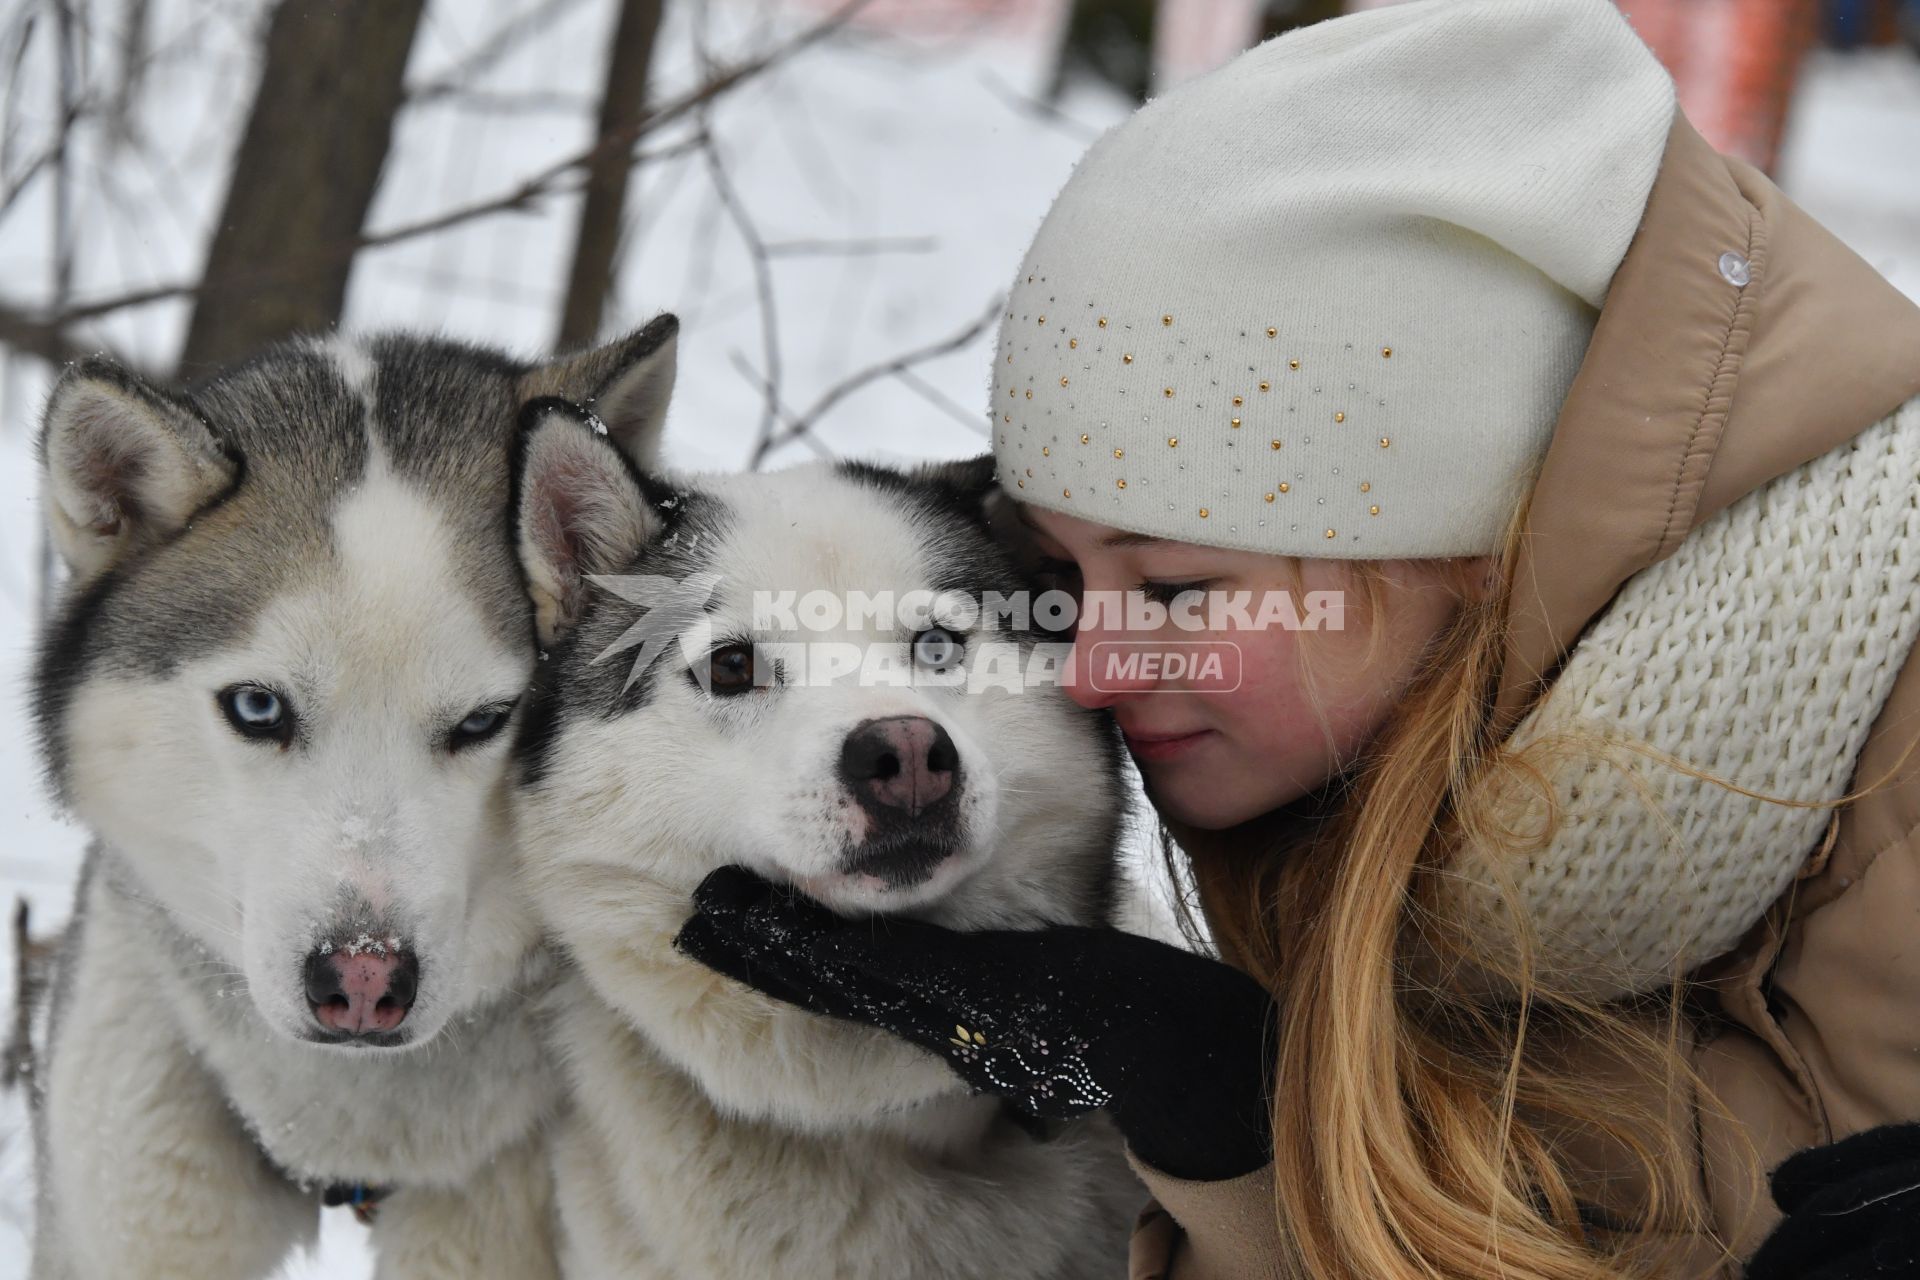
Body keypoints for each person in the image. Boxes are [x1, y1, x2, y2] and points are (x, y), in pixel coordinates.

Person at [673, 0, 1920, 1275]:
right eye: (1057, 572)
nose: (1091, 666)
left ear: (1476, 555)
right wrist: (1243, 1124)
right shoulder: (1381, 784)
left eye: (1175, 589)